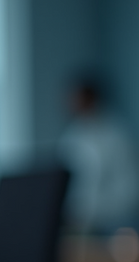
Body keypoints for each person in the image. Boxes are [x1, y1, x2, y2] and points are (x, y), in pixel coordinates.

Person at [58, 81, 139, 234]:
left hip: (114, 224)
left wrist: (93, 214)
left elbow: (129, 190)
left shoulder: (117, 136)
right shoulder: (71, 137)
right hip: (78, 224)